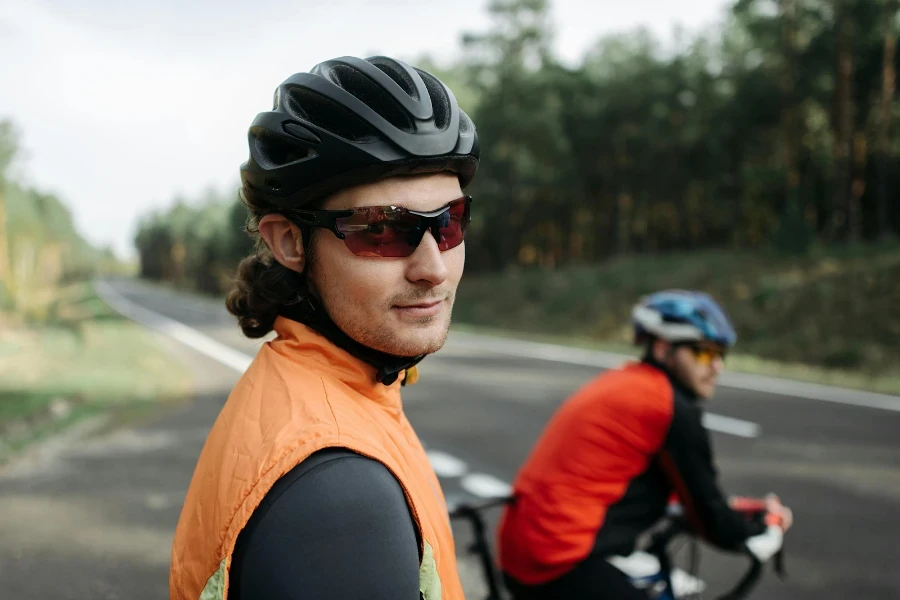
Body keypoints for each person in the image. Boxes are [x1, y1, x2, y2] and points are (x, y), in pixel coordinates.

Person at [169, 55, 479, 600]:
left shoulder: (317, 389)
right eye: (383, 230)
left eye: (448, 222)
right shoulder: (340, 496)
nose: (433, 267)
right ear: (290, 242)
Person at [496, 290, 793, 599]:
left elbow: (667, 489)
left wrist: (736, 508)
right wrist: (764, 529)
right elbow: (710, 517)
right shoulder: (668, 405)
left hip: (522, 551)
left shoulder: (627, 381)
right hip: (556, 563)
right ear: (664, 348)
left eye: (720, 354)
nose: (717, 365)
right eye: (704, 352)